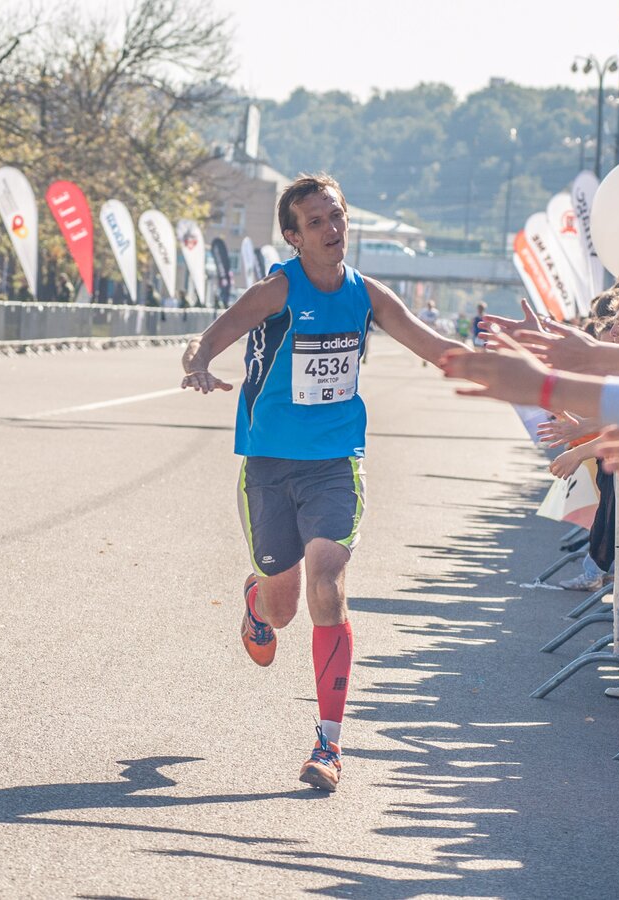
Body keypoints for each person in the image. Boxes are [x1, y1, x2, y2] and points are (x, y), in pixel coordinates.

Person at [180, 173, 463, 792]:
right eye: (316, 222)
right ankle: (258, 598)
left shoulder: (368, 295)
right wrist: (198, 363)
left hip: (336, 465)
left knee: (327, 585)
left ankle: (329, 744)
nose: (332, 230)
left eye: (336, 216)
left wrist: (519, 373)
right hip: (268, 465)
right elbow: (210, 336)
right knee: (283, 613)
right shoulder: (278, 289)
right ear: (293, 236)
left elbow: (437, 347)